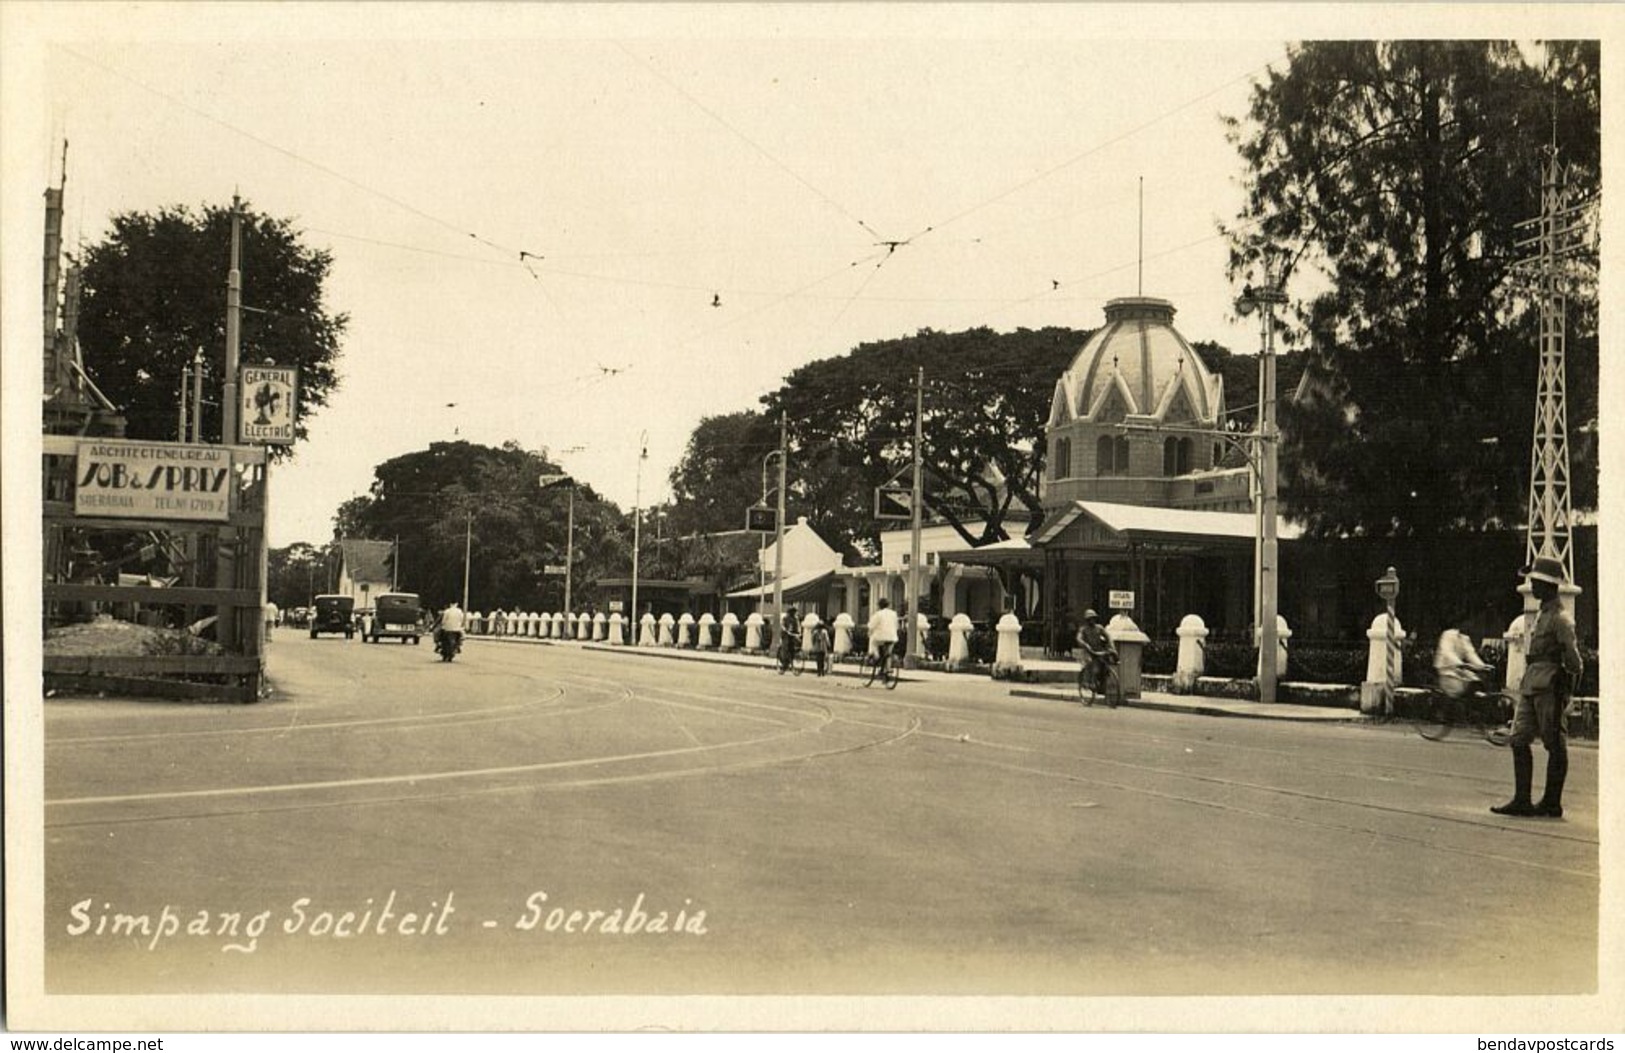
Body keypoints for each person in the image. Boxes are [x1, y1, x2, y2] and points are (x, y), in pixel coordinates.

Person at [1492, 557, 1583, 819]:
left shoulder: (1561, 619)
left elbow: (1574, 659)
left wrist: (1566, 687)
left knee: (1554, 742)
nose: (1532, 586)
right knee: (1518, 738)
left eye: (1537, 582)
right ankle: (1522, 799)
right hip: (1532, 683)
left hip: (1550, 686)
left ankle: (1551, 802)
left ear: (1549, 585)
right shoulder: (1542, 613)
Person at [1433, 619, 1491, 699]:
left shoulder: (1465, 639)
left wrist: (1483, 666)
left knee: (1477, 683)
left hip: (1459, 672)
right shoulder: (1448, 634)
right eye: (1468, 622)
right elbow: (1447, 652)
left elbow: (1471, 654)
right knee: (1460, 690)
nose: (1471, 625)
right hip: (1446, 673)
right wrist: (1460, 663)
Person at [1075, 609, 1118, 693]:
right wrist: (1085, 645)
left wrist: (1112, 647)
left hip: (1099, 650)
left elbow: (1108, 637)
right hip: (1088, 651)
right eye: (1090, 619)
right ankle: (1089, 681)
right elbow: (1079, 638)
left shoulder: (1099, 628)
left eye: (1093, 619)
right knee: (1090, 663)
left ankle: (1102, 683)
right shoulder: (1083, 629)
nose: (1092, 621)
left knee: (1105, 663)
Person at [867, 598, 900, 672]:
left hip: (880, 638)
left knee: (873, 641)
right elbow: (897, 625)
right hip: (892, 637)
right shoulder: (894, 614)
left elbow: (871, 625)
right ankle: (887, 669)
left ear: (879, 606)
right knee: (888, 653)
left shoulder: (878, 614)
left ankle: (876, 655)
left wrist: (869, 631)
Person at [777, 606, 801, 670]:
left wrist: (798, 633)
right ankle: (784, 663)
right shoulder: (785, 618)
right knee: (785, 648)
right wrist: (785, 630)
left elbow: (798, 627)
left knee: (793, 648)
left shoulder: (796, 619)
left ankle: (792, 659)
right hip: (786, 635)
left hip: (793, 635)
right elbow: (782, 625)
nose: (795, 613)